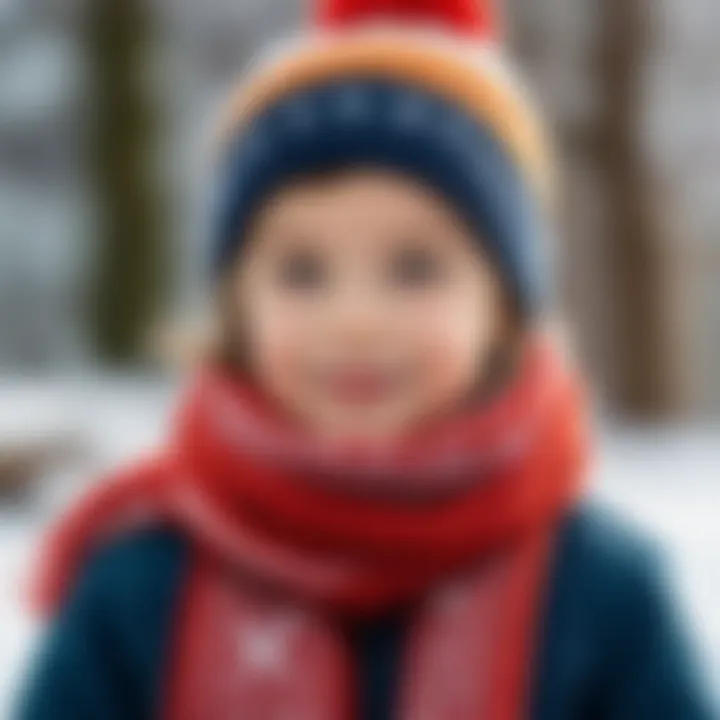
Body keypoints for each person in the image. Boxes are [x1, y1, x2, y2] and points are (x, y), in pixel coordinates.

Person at [17, 0, 714, 718]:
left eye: (414, 268)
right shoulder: (140, 588)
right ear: (235, 304)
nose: (355, 320)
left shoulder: (600, 593)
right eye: (302, 271)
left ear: (504, 308)